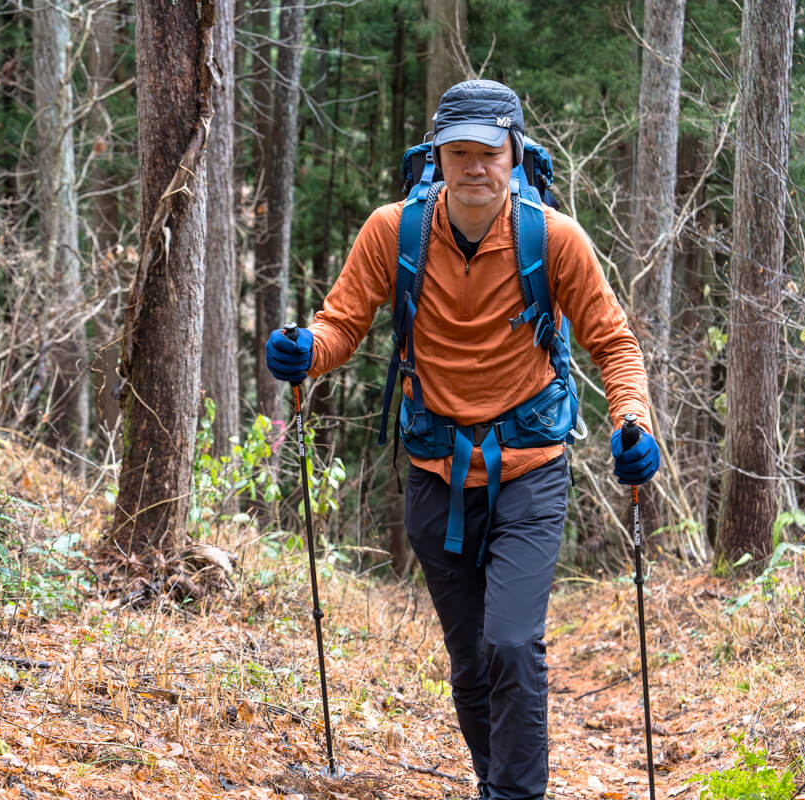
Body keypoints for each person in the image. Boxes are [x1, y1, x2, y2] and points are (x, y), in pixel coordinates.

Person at [265, 79, 660, 800]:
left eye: (489, 151)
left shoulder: (554, 239)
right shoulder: (396, 232)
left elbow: (613, 342)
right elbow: (341, 323)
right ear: (437, 157)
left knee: (511, 643)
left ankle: (516, 795)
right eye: (460, 153)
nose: (475, 166)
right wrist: (304, 350)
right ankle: (495, 784)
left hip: (530, 469)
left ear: (513, 154)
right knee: (471, 663)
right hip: (434, 472)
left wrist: (632, 420)